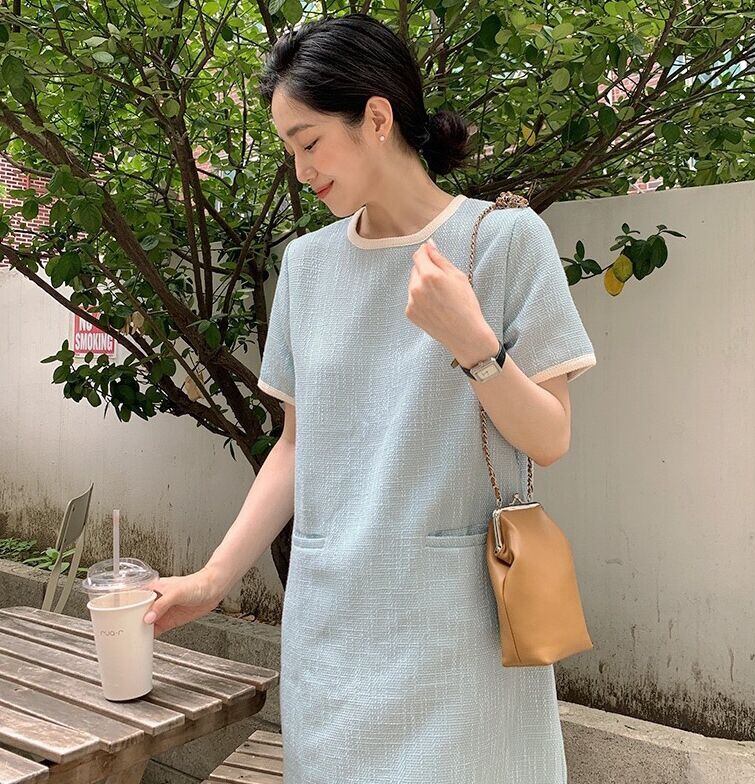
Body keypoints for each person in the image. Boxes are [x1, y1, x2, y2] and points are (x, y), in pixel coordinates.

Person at [144, 12, 597, 784]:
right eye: (290, 150)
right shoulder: (309, 267)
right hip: (337, 634)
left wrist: (474, 346)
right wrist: (213, 580)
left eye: (310, 142)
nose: (300, 170)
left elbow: (549, 437)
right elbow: (296, 445)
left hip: (463, 637)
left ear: (377, 118)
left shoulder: (505, 242)